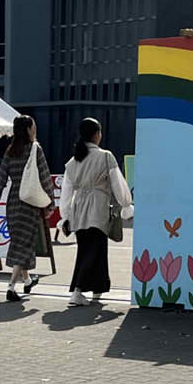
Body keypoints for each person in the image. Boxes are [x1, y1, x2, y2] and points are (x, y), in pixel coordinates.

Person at [59, 117, 133, 307]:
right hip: (98, 208)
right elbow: (118, 183)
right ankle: (78, 291)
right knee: (95, 249)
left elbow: (66, 192)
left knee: (87, 249)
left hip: (78, 209)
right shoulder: (105, 156)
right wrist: (126, 204)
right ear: (97, 134)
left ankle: (98, 289)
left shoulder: (73, 160)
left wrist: (65, 216)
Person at [0, 115, 55, 302]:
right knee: (23, 244)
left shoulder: (10, 151)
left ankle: (27, 280)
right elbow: (45, 176)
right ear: (28, 130)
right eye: (33, 127)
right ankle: (11, 286)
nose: (35, 129)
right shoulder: (35, 149)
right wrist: (50, 202)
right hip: (29, 204)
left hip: (13, 202)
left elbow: (0, 179)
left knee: (18, 242)